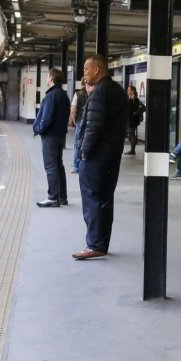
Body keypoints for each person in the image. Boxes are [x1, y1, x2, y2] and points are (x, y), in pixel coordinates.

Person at [73, 54, 128, 260]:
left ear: (97, 69)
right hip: (111, 155)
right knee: (104, 199)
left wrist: (83, 153)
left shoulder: (100, 93)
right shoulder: (117, 90)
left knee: (93, 199)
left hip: (98, 156)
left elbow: (93, 127)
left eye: (86, 69)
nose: (84, 74)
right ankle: (101, 243)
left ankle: (94, 244)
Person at [33, 68, 70, 208]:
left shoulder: (51, 96)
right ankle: (62, 196)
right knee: (58, 165)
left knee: (51, 166)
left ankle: (53, 197)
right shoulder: (63, 95)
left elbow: (46, 118)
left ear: (52, 79)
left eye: (48, 76)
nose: (46, 78)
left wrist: (40, 130)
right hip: (60, 135)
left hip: (50, 136)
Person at [69, 79, 88, 173]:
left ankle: (77, 167)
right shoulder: (93, 93)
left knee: (78, 145)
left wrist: (74, 120)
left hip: (80, 121)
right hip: (90, 123)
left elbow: (73, 109)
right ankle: (86, 167)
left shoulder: (77, 94)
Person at [124, 84, 146, 155]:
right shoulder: (130, 98)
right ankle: (132, 150)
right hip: (130, 120)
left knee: (132, 134)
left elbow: (143, 107)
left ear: (133, 91)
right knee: (131, 134)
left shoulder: (135, 99)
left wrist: (136, 113)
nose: (127, 91)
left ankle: (132, 150)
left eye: (129, 90)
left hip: (132, 120)